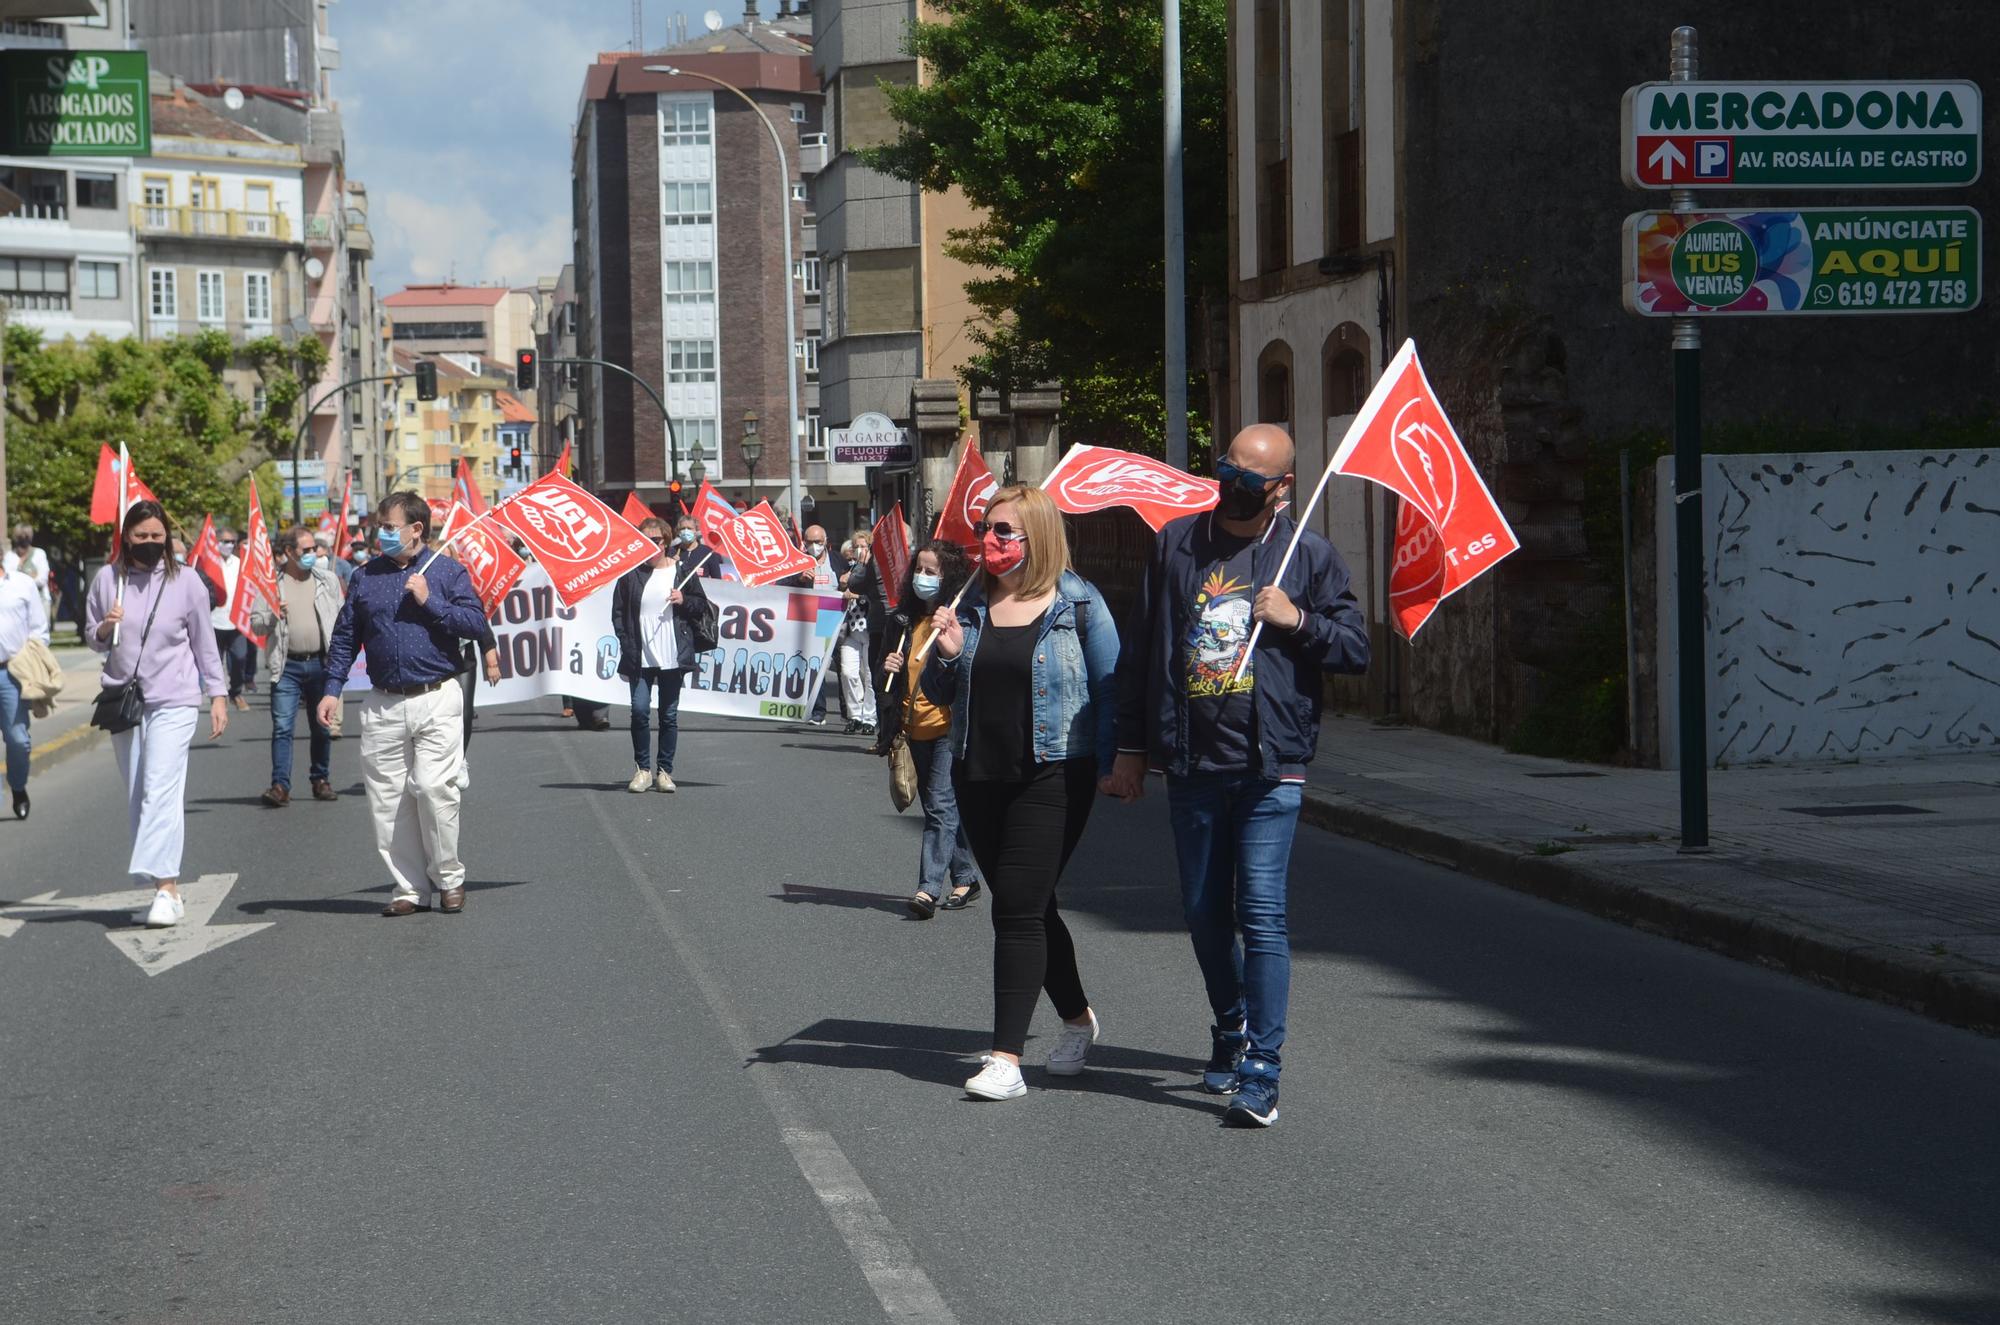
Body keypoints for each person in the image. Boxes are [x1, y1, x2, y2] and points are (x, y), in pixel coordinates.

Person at [1102, 424, 1370, 1128]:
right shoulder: (1178, 544)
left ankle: (1262, 1068)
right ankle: (1230, 1022)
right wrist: (1131, 747)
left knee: (1262, 912)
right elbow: (1143, 649)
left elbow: (1353, 647)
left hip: (1269, 766)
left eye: (1251, 476)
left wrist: (1298, 619)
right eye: (1228, 468)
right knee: (1200, 910)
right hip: (1192, 759)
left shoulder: (1305, 555)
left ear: (1282, 489)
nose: (1234, 483)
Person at [921, 485, 1120, 1101]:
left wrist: (1121, 763)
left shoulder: (1079, 603)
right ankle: (1078, 1018)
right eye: (987, 528)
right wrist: (948, 653)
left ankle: (1006, 1058)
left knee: (1014, 910)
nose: (990, 541)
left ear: (1038, 537)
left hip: (1055, 773)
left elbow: (1112, 686)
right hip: (976, 772)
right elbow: (940, 689)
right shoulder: (971, 602)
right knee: (1027, 904)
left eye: (1005, 531)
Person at [317, 492, 490, 917]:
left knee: (433, 788)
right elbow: (345, 637)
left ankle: (449, 876)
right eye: (380, 526)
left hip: (436, 696)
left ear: (416, 529)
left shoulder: (447, 571)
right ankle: (410, 888)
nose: (381, 534)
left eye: (390, 527)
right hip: (384, 703)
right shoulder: (364, 577)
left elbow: (475, 622)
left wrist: (430, 601)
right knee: (389, 799)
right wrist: (332, 687)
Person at [85, 501, 231, 928]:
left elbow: (205, 642)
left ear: (167, 537)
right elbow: (92, 638)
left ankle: (165, 888)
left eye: (156, 536)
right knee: (137, 792)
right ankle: (164, 886)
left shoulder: (186, 582)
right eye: (141, 536)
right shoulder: (106, 580)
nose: (150, 543)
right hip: (124, 702)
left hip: (176, 698)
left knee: (160, 788)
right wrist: (106, 627)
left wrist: (217, 693)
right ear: (125, 537)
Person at [878, 540, 979, 918]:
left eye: (931, 571)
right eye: (919, 569)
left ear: (948, 577)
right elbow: (884, 680)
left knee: (938, 806)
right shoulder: (902, 621)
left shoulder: (958, 618)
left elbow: (970, 670)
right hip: (910, 727)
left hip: (946, 728)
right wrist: (887, 668)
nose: (922, 577)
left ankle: (927, 889)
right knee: (942, 808)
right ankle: (966, 876)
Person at [611, 517, 710, 793]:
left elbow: (700, 605)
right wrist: (626, 643)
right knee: (640, 711)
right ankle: (642, 770)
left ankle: (664, 771)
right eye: (643, 540)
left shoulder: (681, 570)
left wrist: (684, 600)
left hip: (671, 655)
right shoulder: (630, 574)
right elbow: (618, 613)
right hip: (640, 656)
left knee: (668, 714)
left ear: (665, 542)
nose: (649, 545)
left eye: (654, 541)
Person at [250, 524, 345, 807]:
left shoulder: (326, 580)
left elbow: (341, 618)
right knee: (282, 727)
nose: (312, 554)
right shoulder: (271, 584)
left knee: (321, 726)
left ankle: (320, 779)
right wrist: (272, 616)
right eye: (305, 550)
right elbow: (256, 624)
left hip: (320, 663)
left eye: (314, 549)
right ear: (289, 552)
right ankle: (280, 786)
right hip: (286, 667)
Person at [0, 557, 51, 819]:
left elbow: (39, 628)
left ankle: (18, 787)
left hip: (12, 672)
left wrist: (34, 662)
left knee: (18, 740)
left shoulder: (21, 584)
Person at [208, 525, 254, 710]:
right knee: (214, 662)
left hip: (236, 622)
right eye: (225, 541)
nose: (229, 545)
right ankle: (219, 696)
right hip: (213, 621)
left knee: (239, 657)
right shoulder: (209, 564)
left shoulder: (240, 564)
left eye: (232, 542)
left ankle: (236, 691)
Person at [835, 537, 877, 736]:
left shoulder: (874, 570)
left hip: (869, 627)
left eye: (863, 546)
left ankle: (869, 717)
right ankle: (855, 715)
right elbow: (840, 591)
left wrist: (858, 595)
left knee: (868, 675)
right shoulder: (849, 570)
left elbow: (876, 594)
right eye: (856, 546)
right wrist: (843, 587)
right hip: (850, 629)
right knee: (848, 672)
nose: (859, 550)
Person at [5, 524, 52, 622]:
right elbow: (8, 582)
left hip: (40, 602)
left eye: (27, 535)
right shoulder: (10, 557)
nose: (24, 538)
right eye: (21, 536)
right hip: (17, 605)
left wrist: (19, 578)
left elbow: (42, 580)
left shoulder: (39, 554)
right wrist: (30, 577)